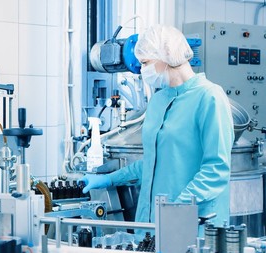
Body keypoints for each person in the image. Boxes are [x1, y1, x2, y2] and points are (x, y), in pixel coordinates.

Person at [80, 25, 234, 235]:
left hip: (193, 225)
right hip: (151, 224)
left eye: (145, 63)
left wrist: (177, 209)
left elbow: (216, 169)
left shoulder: (210, 98)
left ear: (167, 54)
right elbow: (155, 162)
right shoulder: (159, 100)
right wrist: (110, 179)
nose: (143, 71)